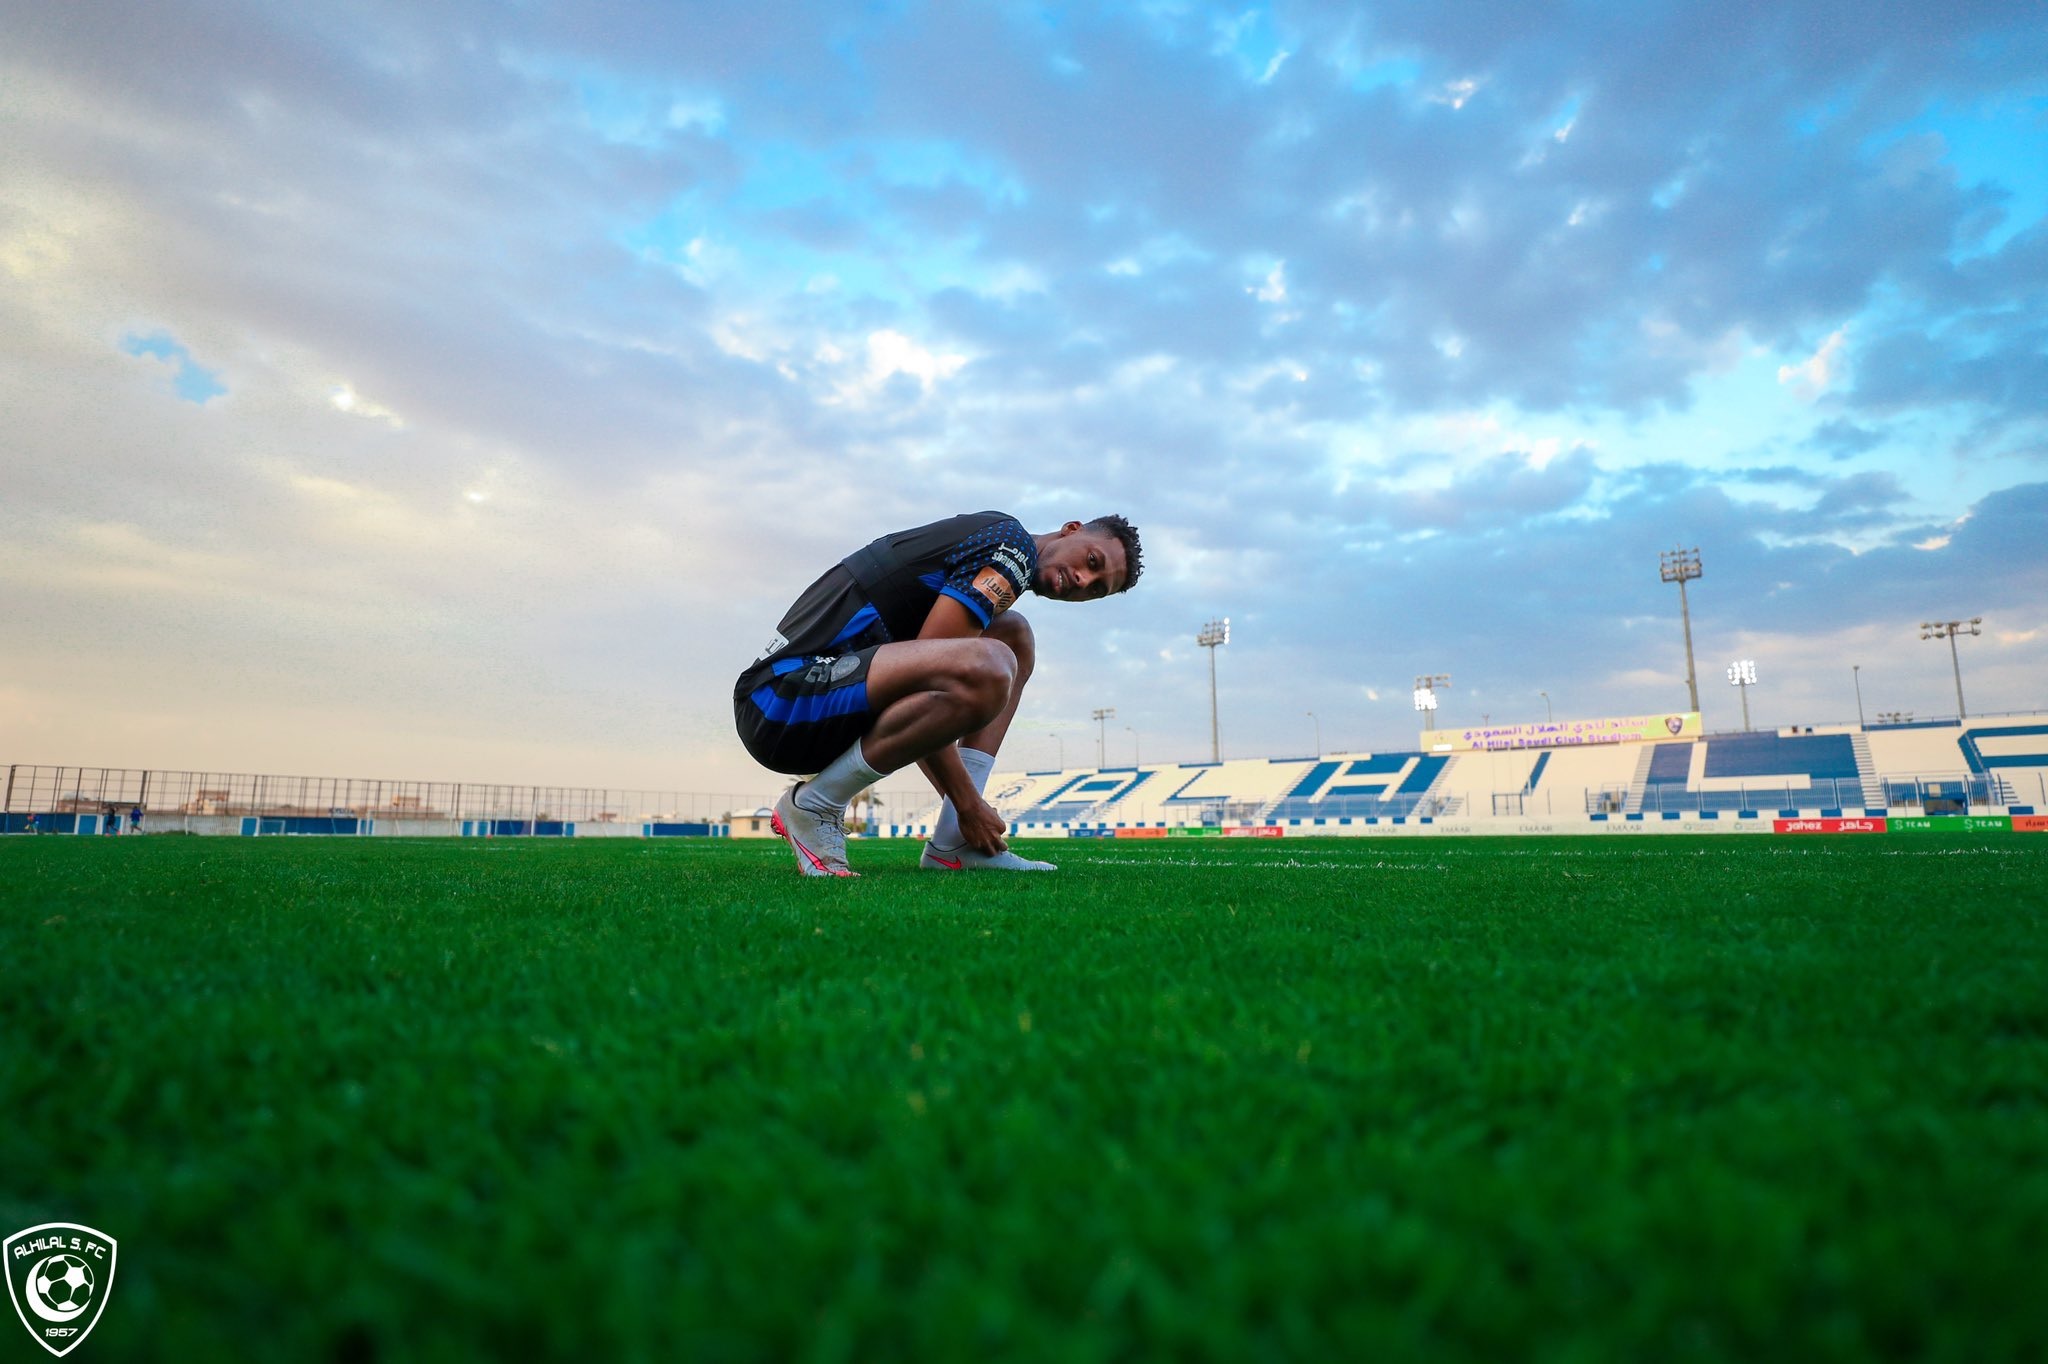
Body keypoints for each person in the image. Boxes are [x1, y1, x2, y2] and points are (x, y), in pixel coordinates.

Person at [735, 510, 1142, 877]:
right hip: (780, 702)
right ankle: (815, 805)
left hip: (810, 704)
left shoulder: (1002, 561)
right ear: (1070, 529)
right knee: (989, 664)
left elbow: (930, 699)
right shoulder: (1012, 548)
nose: (1083, 581)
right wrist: (968, 805)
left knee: (1014, 636)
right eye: (1092, 562)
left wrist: (964, 811)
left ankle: (955, 844)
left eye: (1095, 589)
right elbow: (935, 683)